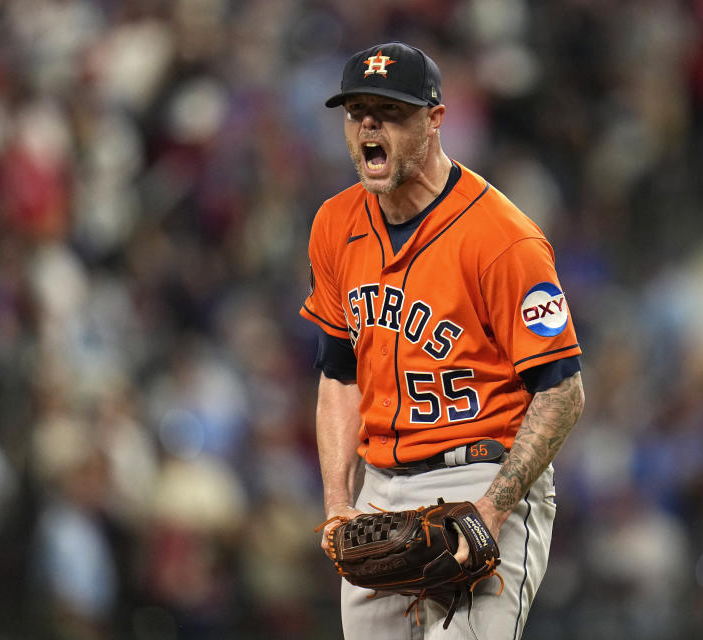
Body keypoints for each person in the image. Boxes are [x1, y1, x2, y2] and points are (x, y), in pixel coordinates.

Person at [299, 42, 585, 639]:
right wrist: (336, 503)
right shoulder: (334, 225)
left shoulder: (504, 239)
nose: (369, 125)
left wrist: (493, 508)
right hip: (380, 489)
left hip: (482, 476)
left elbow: (562, 392)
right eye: (357, 112)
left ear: (434, 119)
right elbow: (338, 373)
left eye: (390, 110)